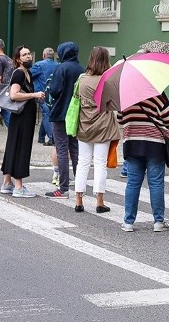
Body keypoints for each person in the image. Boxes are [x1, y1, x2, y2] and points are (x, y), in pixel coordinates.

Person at [119, 92, 169, 232]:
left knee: (132, 183)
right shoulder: (157, 95)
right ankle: (158, 222)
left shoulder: (126, 97)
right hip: (154, 144)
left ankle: (128, 222)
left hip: (132, 143)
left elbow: (120, 119)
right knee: (156, 183)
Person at [73, 47, 120, 214]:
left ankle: (79, 200)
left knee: (82, 162)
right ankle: (100, 201)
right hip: (103, 126)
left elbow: (77, 100)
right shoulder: (107, 80)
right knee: (100, 163)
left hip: (85, 125)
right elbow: (115, 104)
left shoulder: (82, 79)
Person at [0, 46, 47, 198]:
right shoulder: (19, 73)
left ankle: (7, 183)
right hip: (21, 117)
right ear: (18, 59)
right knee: (21, 148)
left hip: (24, 117)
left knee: (14, 146)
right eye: (24, 55)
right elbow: (14, 95)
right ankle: (18, 187)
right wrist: (34, 95)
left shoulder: (28, 73)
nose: (28, 57)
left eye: (29, 54)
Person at [45, 42, 84, 199]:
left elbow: (54, 90)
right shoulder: (81, 69)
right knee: (75, 150)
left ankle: (63, 188)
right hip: (76, 115)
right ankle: (79, 185)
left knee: (62, 149)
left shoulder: (61, 68)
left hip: (60, 113)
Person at [30, 47, 57, 145]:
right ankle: (41, 137)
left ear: (43, 55)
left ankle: (52, 138)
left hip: (42, 94)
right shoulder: (58, 65)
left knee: (46, 114)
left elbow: (29, 76)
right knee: (47, 113)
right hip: (54, 94)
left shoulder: (38, 65)